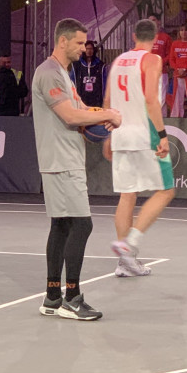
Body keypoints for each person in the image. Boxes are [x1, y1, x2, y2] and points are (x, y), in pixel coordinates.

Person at [33, 18, 122, 321]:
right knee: (82, 225)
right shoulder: (49, 73)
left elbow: (81, 108)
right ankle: (72, 298)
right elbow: (71, 117)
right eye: (80, 43)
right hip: (62, 161)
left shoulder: (63, 73)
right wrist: (108, 115)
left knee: (61, 225)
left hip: (64, 159)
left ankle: (52, 297)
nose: (84, 48)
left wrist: (103, 115)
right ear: (63, 41)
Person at [103, 19, 176, 279]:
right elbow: (151, 100)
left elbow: (108, 101)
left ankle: (125, 263)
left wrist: (110, 136)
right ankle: (130, 244)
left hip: (121, 133)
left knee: (127, 195)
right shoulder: (152, 59)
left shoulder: (118, 61)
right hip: (144, 134)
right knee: (166, 190)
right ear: (156, 38)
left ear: (133, 36)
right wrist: (162, 135)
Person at [70, 40, 106, 108]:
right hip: (81, 100)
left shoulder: (100, 65)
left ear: (94, 50)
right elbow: (72, 82)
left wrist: (104, 99)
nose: (89, 51)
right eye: (87, 49)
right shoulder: (76, 65)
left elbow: (104, 84)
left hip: (96, 101)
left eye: (91, 49)